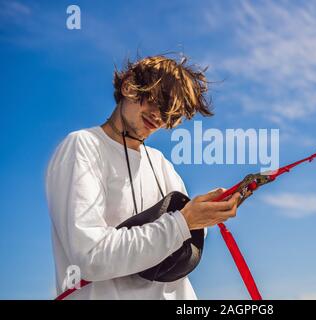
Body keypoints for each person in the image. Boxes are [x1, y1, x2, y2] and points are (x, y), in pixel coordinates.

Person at [45, 55, 241, 299]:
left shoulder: (162, 164)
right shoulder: (83, 146)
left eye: (171, 114)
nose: (160, 117)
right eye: (158, 101)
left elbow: (177, 251)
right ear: (129, 86)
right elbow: (91, 256)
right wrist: (183, 222)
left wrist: (203, 216)